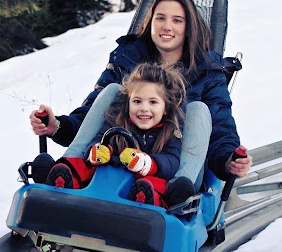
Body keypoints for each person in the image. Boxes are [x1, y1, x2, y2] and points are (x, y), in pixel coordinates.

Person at [30, 0, 252, 201]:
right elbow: (93, 114)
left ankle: (177, 194)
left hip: (171, 173)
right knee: (113, 91)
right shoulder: (127, 58)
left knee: (197, 109)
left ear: (188, 27)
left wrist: (228, 160)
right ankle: (67, 168)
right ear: (150, 22)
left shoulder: (207, 72)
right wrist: (58, 126)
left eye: (177, 20)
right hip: (118, 160)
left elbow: (220, 125)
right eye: (160, 18)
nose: (167, 26)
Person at [45, 62, 191, 208]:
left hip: (143, 178)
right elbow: (98, 138)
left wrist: (147, 163)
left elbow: (172, 160)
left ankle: (145, 199)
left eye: (153, 102)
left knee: (154, 184)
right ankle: (63, 180)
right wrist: (96, 151)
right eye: (137, 101)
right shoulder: (117, 119)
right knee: (80, 165)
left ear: (165, 108)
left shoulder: (169, 130)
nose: (144, 108)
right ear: (128, 103)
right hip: (107, 176)